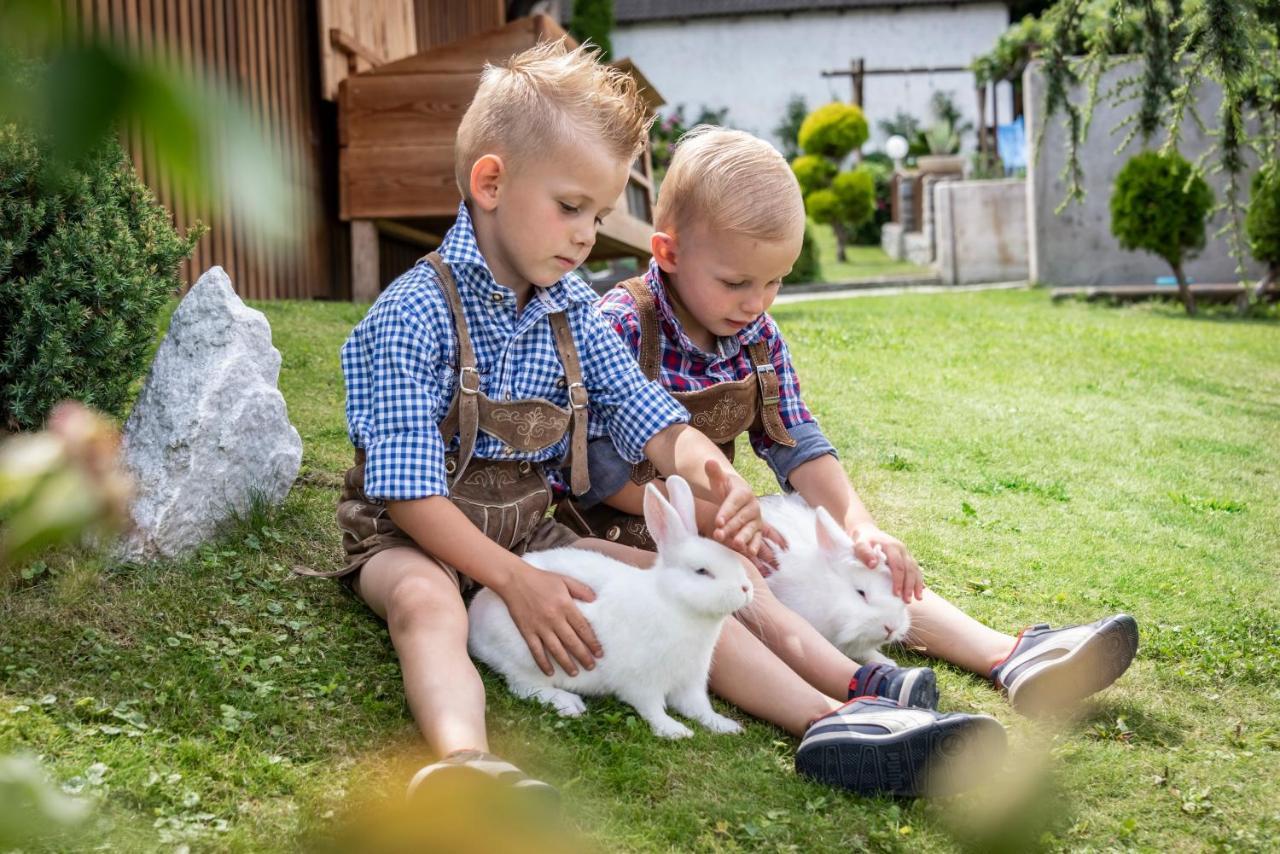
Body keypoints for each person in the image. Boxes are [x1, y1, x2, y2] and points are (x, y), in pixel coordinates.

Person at [311, 43, 1008, 801]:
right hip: (412, 537)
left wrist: (709, 473)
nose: (587, 235)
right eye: (570, 207)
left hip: (529, 533)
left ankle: (834, 720)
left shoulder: (570, 308)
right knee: (425, 603)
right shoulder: (411, 317)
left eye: (599, 214)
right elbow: (409, 496)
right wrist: (515, 583)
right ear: (490, 183)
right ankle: (466, 763)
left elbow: (652, 421)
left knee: (691, 587)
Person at [556, 126, 1139, 724]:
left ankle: (1008, 656)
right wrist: (718, 523)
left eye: (776, 281)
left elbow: (798, 442)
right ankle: (847, 689)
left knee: (842, 557)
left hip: (725, 522)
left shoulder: (755, 335)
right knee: (731, 587)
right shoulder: (621, 324)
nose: (757, 302)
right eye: (737, 283)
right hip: (625, 529)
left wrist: (860, 528)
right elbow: (593, 472)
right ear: (669, 253)